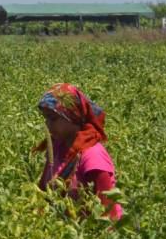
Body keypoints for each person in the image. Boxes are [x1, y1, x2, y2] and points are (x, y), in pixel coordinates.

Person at [34, 83, 123, 221]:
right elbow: (43, 192)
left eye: (53, 118)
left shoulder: (92, 156)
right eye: (45, 118)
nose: (47, 124)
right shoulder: (57, 146)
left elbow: (109, 214)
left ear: (72, 117)